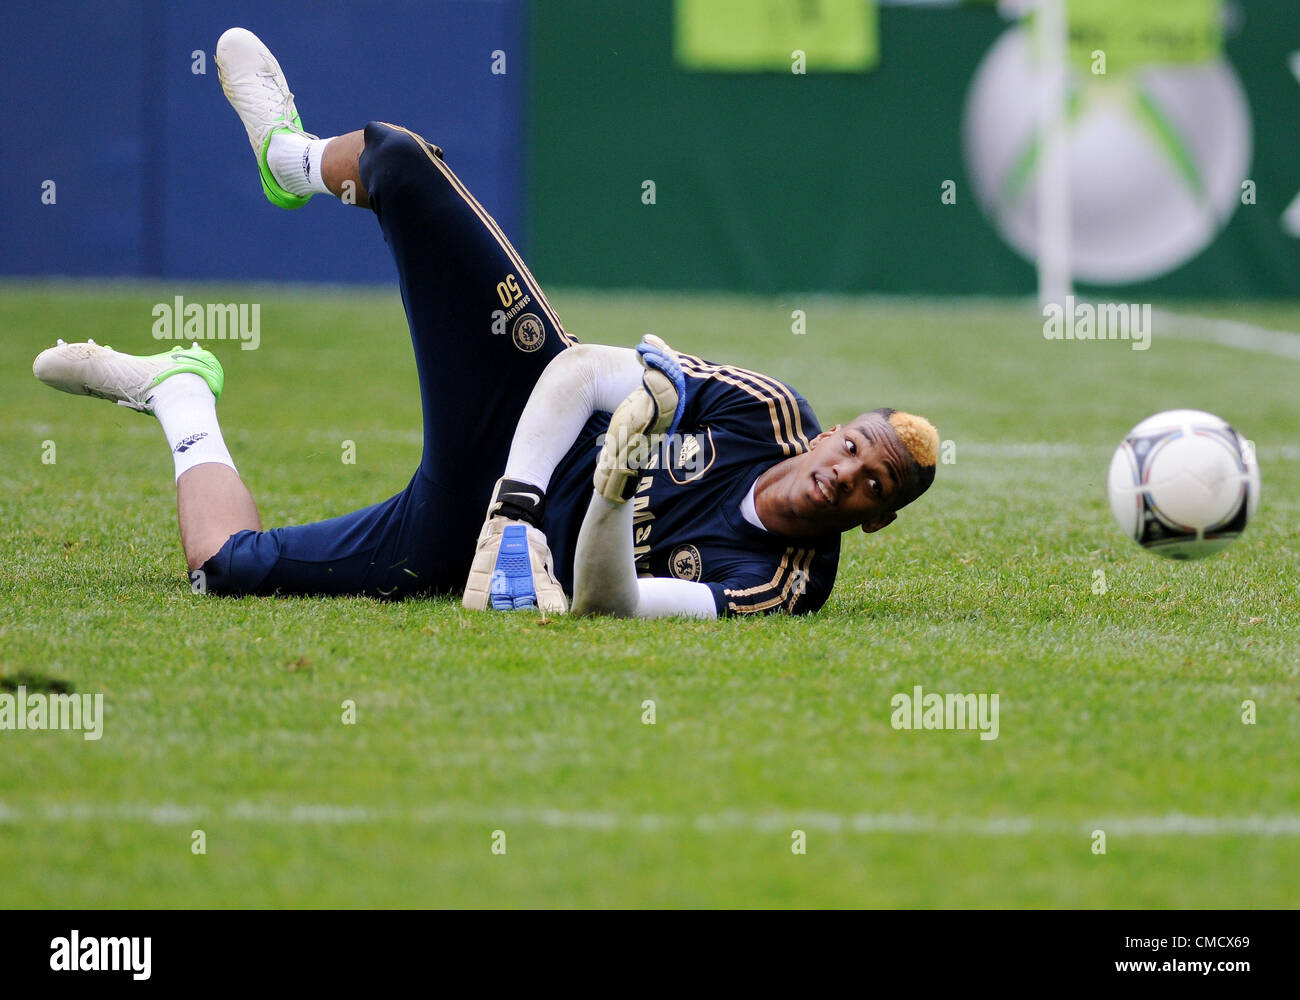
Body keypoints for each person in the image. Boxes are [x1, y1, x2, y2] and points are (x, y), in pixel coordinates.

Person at [31, 27, 938, 620]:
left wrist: (615, 501)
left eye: (873, 488)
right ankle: (288, 158)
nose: (846, 474)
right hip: (522, 413)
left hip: (459, 539)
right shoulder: (765, 410)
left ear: (876, 523)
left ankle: (182, 395)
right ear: (836, 431)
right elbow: (581, 374)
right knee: (396, 158)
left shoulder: (785, 585)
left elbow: (609, 607)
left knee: (223, 573)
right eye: (856, 448)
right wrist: (521, 505)